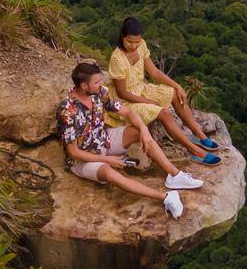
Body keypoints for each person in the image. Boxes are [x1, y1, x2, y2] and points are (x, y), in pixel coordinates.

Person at [58, 61, 203, 220]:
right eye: (97, 82)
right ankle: (166, 197)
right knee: (108, 171)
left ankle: (175, 175)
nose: (101, 84)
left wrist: (143, 129)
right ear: (84, 86)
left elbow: (127, 112)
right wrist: (106, 159)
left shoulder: (100, 93)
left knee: (136, 132)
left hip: (102, 138)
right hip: (84, 157)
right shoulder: (67, 110)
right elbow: (73, 152)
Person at [107, 17, 222, 165]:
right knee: (163, 113)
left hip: (141, 89)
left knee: (174, 94)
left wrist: (177, 86)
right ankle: (195, 151)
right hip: (125, 101)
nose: (134, 46)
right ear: (122, 37)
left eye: (137, 41)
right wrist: (148, 102)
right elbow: (122, 93)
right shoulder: (117, 58)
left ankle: (198, 134)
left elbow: (154, 72)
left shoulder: (141, 46)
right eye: (130, 42)